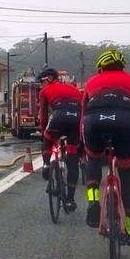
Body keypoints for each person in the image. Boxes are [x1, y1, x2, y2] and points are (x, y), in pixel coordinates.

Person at [81, 50, 130, 246]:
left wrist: (83, 144)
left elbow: (83, 115)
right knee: (126, 172)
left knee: (93, 158)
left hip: (94, 122)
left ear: (101, 68)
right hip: (126, 123)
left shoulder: (91, 82)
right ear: (123, 67)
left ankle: (93, 200)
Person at [37, 68, 83, 212]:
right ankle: (70, 199)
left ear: (49, 79)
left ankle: (45, 166)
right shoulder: (75, 89)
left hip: (59, 116)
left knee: (48, 138)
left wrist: (44, 132)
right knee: (72, 159)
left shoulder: (45, 91)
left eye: (42, 81)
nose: (41, 85)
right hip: (77, 119)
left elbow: (43, 116)